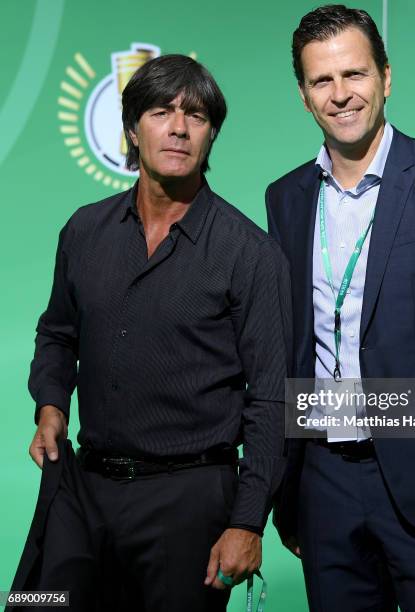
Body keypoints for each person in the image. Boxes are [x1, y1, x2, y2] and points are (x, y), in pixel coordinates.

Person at [9, 54, 291, 612]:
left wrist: (247, 522)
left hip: (190, 499)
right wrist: (50, 404)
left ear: (212, 134)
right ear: (133, 129)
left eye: (197, 116)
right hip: (82, 489)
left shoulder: (250, 253)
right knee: (36, 604)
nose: (180, 128)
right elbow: (58, 334)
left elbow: (271, 398)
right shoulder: (84, 230)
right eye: (162, 111)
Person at [266, 5, 415, 611]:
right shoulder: (286, 197)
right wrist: (286, 490)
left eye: (355, 74)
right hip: (323, 480)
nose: (341, 94)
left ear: (386, 77)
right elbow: (291, 346)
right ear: (303, 95)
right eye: (322, 81)